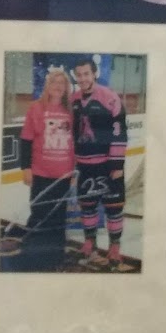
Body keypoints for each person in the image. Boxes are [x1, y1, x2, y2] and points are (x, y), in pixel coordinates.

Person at [16, 65, 75, 270]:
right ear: (47, 86)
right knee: (39, 215)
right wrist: (26, 168)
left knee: (58, 218)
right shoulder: (36, 108)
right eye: (54, 82)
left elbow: (76, 142)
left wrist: (74, 171)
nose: (58, 86)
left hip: (64, 175)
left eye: (62, 83)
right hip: (41, 174)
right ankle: (31, 257)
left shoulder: (71, 111)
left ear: (66, 88)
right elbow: (26, 140)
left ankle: (55, 259)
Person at [71, 58, 128, 270]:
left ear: (94, 74)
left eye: (86, 73)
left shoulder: (110, 97)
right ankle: (90, 242)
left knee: (114, 207)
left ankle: (114, 247)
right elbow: (72, 133)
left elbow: (119, 131)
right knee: (87, 206)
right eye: (79, 75)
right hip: (84, 166)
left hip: (107, 166)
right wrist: (72, 162)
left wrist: (117, 164)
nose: (83, 78)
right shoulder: (73, 99)